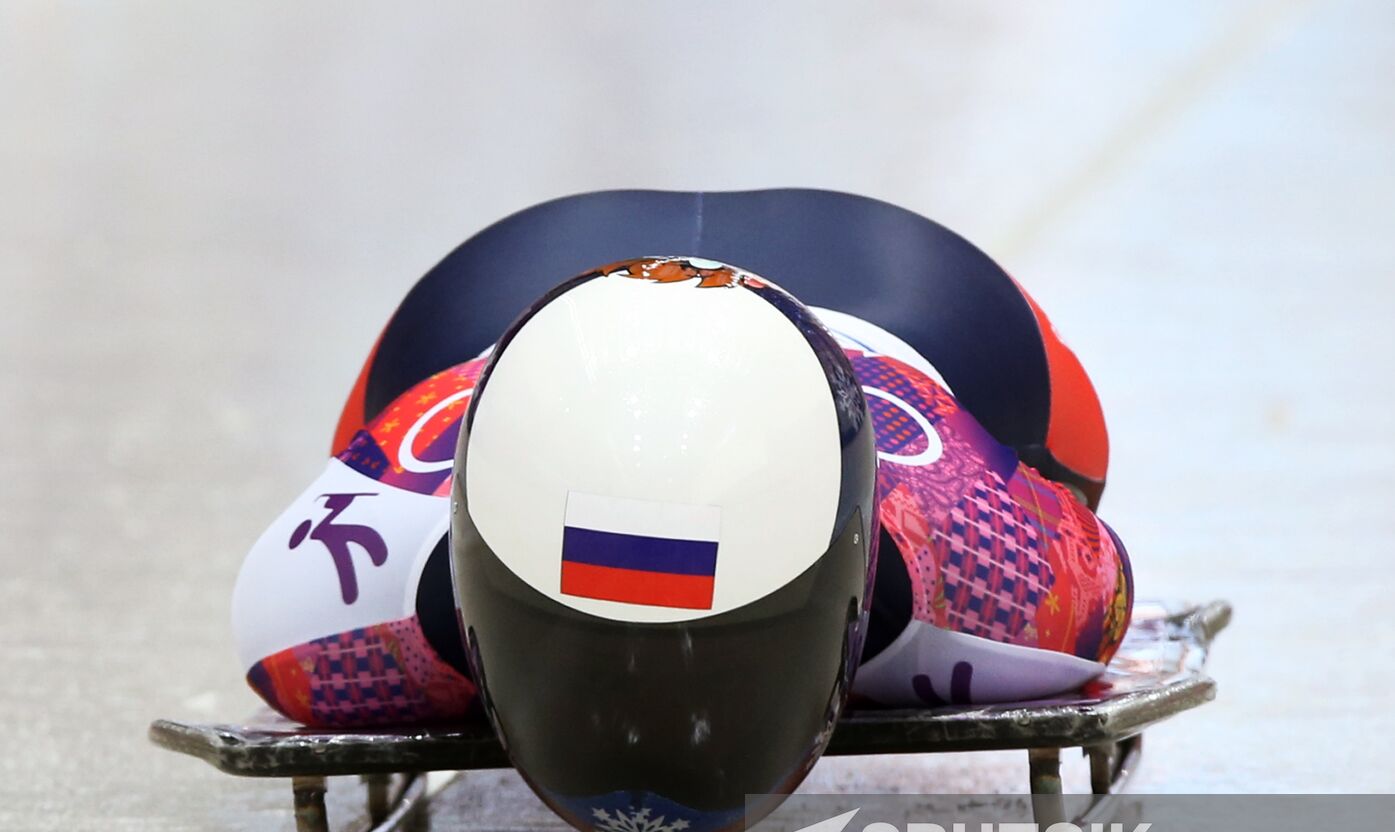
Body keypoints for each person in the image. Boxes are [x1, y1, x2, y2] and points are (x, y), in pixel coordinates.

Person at [233, 231, 1130, 731]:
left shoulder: (307, 634)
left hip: (894, 308)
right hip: (864, 264)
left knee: (1068, 454)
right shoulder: (1036, 607)